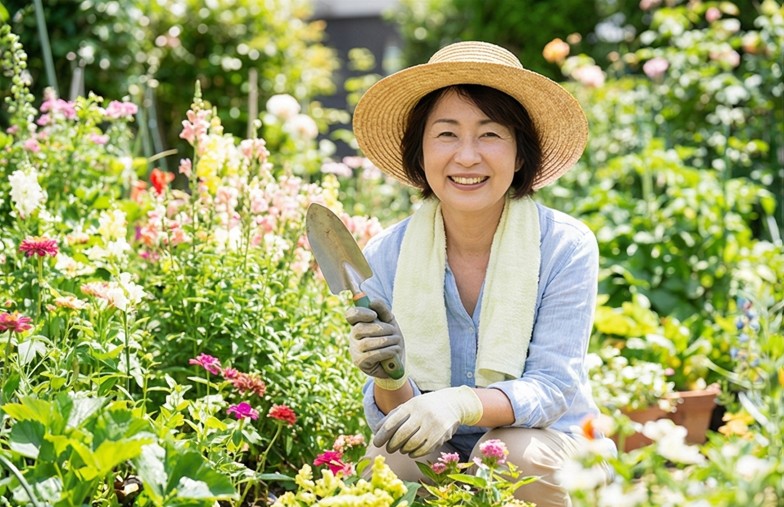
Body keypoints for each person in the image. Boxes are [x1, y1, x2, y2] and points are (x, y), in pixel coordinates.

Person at [345, 40, 614, 506]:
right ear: (420, 151)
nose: (467, 157)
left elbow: (551, 389)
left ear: (520, 153)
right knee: (389, 460)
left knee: (508, 453)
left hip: (548, 440)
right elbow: (396, 416)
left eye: (490, 134)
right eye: (446, 134)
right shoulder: (385, 255)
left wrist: (458, 402)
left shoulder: (565, 245)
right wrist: (388, 375)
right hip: (440, 454)